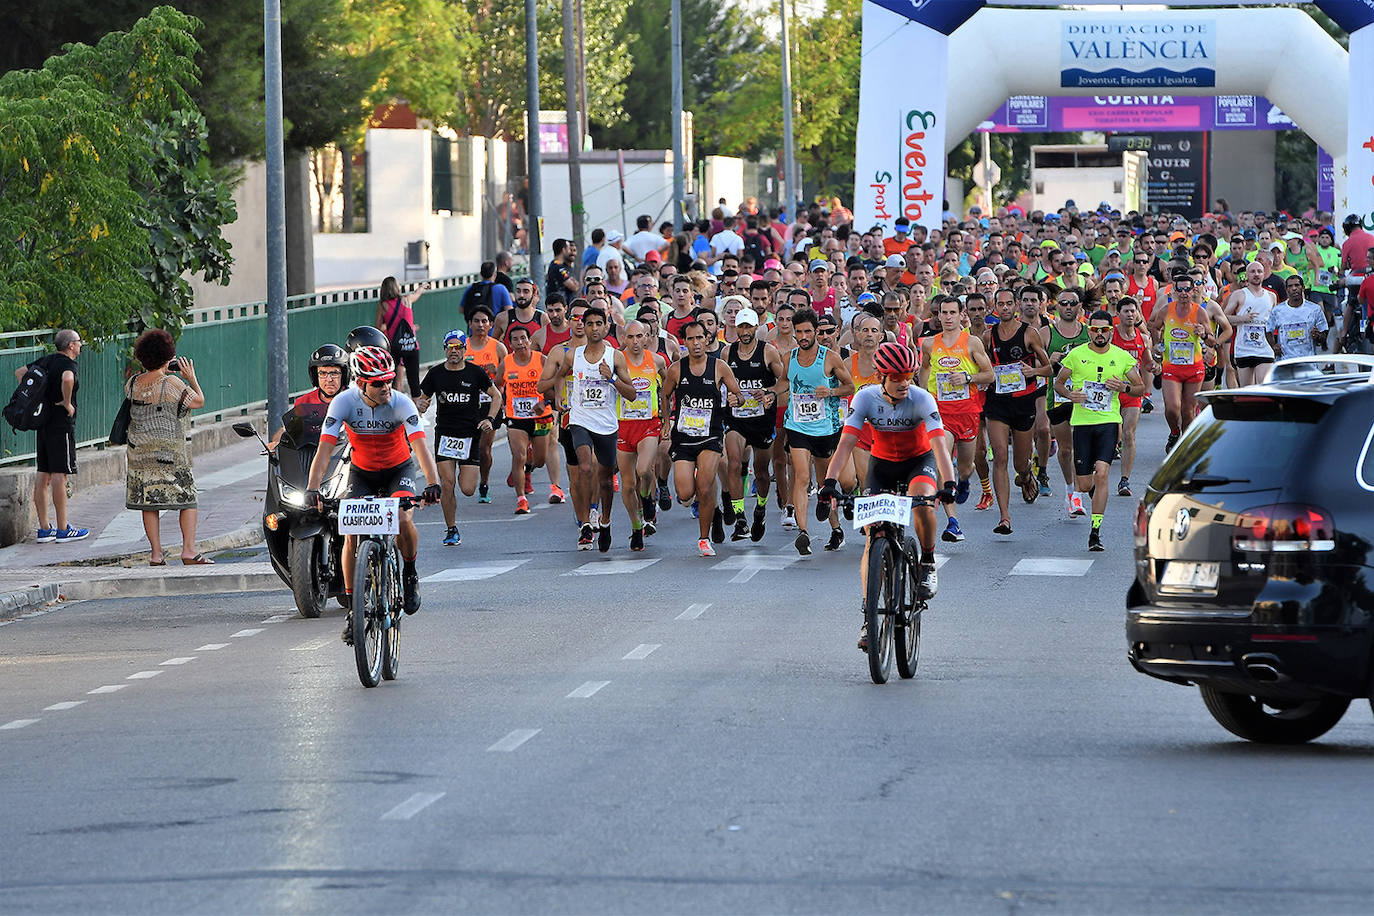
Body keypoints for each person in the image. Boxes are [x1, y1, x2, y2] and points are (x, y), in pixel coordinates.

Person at [820, 342, 957, 650]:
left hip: (919, 462)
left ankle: (929, 562)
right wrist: (829, 482)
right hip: (881, 466)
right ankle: (869, 616)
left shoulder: (922, 399)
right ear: (881, 375)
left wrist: (948, 483)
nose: (904, 381)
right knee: (873, 536)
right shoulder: (865, 397)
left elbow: (939, 446)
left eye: (908, 374)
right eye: (896, 376)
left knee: (922, 498)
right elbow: (845, 445)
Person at [309, 346, 441, 641]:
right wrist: (312, 490)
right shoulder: (343, 402)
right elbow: (324, 450)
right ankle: (354, 608)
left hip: (399, 470)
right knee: (351, 535)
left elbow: (420, 446)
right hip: (362, 472)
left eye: (389, 380)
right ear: (360, 383)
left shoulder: (401, 403)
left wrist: (432, 483)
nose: (386, 388)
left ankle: (409, 572)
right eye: (378, 383)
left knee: (404, 519)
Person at [539, 306, 639, 551]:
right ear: (584, 325)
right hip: (580, 420)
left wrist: (612, 378)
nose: (594, 328)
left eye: (599, 324)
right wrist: (561, 398)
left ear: (606, 326)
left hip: (605, 424)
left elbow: (633, 395)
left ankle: (604, 522)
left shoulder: (615, 357)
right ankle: (585, 523)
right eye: (590, 323)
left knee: (605, 480)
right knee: (584, 467)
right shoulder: (573, 355)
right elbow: (561, 375)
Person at [1054, 311, 1147, 551]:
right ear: (1089, 330)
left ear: (1110, 331)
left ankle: (1095, 532)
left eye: (1104, 330)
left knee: (1103, 473)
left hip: (1108, 422)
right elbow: (1058, 383)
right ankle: (1097, 494)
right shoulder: (1076, 355)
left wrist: (1124, 386)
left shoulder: (1121, 356)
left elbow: (1140, 388)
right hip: (1082, 423)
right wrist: (1069, 395)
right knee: (1085, 484)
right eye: (1095, 330)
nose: (1099, 334)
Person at [124, 329, 209, 565]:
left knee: (149, 503)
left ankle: (156, 554)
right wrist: (191, 378)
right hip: (169, 454)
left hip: (139, 454)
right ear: (167, 356)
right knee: (188, 499)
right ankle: (189, 551)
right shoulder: (171, 383)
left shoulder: (132, 384)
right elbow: (199, 401)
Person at [661, 320, 746, 556]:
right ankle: (714, 509)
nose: (696, 343)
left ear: (708, 339)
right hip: (684, 437)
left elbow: (738, 395)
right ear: (685, 342)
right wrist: (666, 422)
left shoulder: (719, 366)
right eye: (691, 339)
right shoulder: (677, 369)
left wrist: (735, 400)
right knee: (685, 493)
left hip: (711, 435)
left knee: (705, 485)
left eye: (700, 338)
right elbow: (665, 396)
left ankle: (703, 538)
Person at [917, 297, 994, 543]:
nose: (947, 317)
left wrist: (967, 378)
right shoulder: (929, 343)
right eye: (943, 313)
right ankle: (953, 522)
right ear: (937, 315)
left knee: (965, 467)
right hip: (941, 414)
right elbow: (925, 371)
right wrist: (924, 397)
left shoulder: (971, 342)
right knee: (943, 462)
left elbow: (989, 375)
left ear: (962, 315)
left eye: (952, 312)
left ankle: (963, 481)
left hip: (968, 412)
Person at [416, 331, 500, 546]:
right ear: (445, 349)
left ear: (465, 349)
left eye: (459, 347)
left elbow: (496, 396)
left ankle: (477, 485)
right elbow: (421, 400)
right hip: (445, 434)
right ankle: (451, 528)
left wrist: (489, 419)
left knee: (467, 489)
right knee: (447, 483)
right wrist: (421, 406)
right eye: (450, 347)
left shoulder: (475, 373)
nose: (454, 351)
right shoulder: (435, 374)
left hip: (469, 435)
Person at [782, 307, 854, 556]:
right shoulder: (788, 358)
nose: (803, 336)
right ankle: (803, 532)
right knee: (802, 477)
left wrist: (831, 392)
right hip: (797, 425)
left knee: (825, 483)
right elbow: (784, 382)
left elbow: (849, 386)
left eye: (807, 331)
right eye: (799, 331)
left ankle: (836, 529)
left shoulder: (830, 358)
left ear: (815, 332)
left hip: (825, 428)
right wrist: (769, 394)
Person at [15, 329, 87, 543]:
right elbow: (67, 379)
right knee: (59, 474)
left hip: (43, 422)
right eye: (78, 342)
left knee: (43, 473)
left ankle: (45, 528)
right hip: (61, 424)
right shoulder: (68, 365)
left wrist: (36, 398)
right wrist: (67, 402)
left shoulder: (47, 360)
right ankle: (63, 528)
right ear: (71, 346)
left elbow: (21, 373)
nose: (80, 345)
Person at [1148, 271, 1231, 452]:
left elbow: (1211, 340)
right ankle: (1174, 432)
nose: (1185, 293)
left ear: (1193, 290)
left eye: (1188, 289)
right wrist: (1157, 345)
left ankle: (1184, 450)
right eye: (1181, 289)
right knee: (1172, 409)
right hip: (1171, 367)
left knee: (1188, 411)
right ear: (1175, 291)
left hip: (1194, 368)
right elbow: (1154, 326)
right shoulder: (1167, 310)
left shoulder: (1200, 312)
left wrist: (1203, 334)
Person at [722, 307, 786, 542]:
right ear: (735, 328)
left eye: (749, 327)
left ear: (756, 328)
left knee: (761, 471)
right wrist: (727, 396)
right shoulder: (728, 353)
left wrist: (769, 393)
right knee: (734, 464)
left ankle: (760, 510)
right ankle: (740, 519)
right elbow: (722, 383)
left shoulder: (767, 352)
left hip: (761, 420)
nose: (745, 331)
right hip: (736, 419)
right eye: (742, 327)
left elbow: (783, 380)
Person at [498, 325, 552, 515]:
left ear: (530, 341)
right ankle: (521, 499)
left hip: (541, 416)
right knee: (518, 456)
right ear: (510, 343)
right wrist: (501, 405)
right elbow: (497, 386)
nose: (520, 343)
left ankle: (529, 462)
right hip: (516, 417)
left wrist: (544, 401)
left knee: (540, 460)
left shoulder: (541, 360)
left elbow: (553, 386)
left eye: (523, 338)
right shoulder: (506, 362)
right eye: (515, 339)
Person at [268, 344, 348, 452]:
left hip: (343, 458)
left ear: (344, 375)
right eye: (323, 373)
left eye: (334, 373)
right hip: (309, 458)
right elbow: (288, 430)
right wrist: (277, 444)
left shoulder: (352, 399)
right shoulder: (304, 402)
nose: (329, 379)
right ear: (315, 376)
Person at [464, 306, 508, 502]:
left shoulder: (498, 347)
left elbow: (508, 375)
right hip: (466, 404)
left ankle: (484, 483)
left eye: (484, 321)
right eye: (476, 321)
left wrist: (496, 370)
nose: (480, 325)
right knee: (465, 446)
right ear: (470, 324)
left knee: (484, 447)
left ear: (491, 324)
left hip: (490, 404)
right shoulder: (463, 346)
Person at [1110, 298, 1153, 497]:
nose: (1129, 314)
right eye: (1125, 311)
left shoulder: (1142, 338)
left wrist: (1156, 367)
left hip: (1132, 392)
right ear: (1118, 314)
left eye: (1132, 311)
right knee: (1111, 433)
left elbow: (1148, 363)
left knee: (1129, 434)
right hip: (1110, 390)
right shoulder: (1110, 335)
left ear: (1137, 314)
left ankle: (1124, 480)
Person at [1223, 259, 1278, 386]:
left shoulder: (1271, 296)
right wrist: (1242, 318)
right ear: (1247, 275)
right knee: (1247, 389)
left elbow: (1274, 321)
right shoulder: (1238, 295)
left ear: (1264, 274)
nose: (1256, 274)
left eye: (1259, 271)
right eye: (1252, 271)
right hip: (1244, 349)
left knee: (1264, 386)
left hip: (1265, 348)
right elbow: (1224, 318)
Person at [374, 276, 429, 396]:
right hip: (410, 345)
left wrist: (387, 326)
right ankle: (417, 412)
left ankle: (396, 409)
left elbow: (378, 328)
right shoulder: (407, 300)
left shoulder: (383, 305)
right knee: (414, 382)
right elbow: (417, 294)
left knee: (394, 381)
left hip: (395, 347)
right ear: (396, 288)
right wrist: (422, 287)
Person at [1268, 275, 1330, 360]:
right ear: (1286, 290)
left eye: (1297, 285)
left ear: (1303, 288)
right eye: (1290, 286)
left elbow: (1323, 334)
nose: (1294, 288)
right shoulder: (1277, 311)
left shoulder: (1314, 309)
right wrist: (1273, 345)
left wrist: (1318, 336)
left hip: (1308, 361)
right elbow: (1268, 330)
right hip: (1285, 362)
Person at [460, 260, 514, 325]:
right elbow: (509, 310)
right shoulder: (501, 288)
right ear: (495, 274)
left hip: (473, 331)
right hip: (493, 331)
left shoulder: (471, 288)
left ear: (480, 274)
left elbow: (461, 309)